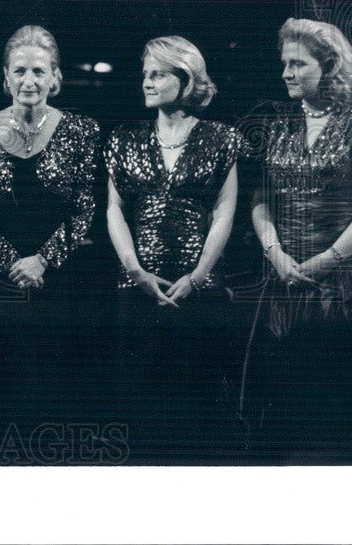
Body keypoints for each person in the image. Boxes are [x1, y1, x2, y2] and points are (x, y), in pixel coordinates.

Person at [0, 25, 99, 437]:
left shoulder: (83, 130)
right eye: (20, 71)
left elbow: (85, 209)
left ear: (55, 78)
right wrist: (13, 263)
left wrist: (41, 260)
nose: (29, 80)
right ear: (6, 77)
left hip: (60, 278)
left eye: (39, 71)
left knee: (57, 383)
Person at [104, 35, 243, 463]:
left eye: (158, 74)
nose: (146, 82)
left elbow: (224, 212)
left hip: (199, 290)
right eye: (145, 74)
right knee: (141, 411)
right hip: (137, 290)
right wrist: (135, 271)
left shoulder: (221, 137)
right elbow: (114, 210)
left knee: (200, 410)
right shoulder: (123, 137)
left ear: (185, 80)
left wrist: (198, 275)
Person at [248, 18, 352, 463]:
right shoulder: (278, 121)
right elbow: (260, 198)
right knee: (285, 413)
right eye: (284, 63)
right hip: (282, 282)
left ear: (330, 65)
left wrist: (325, 260)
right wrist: (274, 252)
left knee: (334, 412)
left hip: (342, 284)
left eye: (298, 64)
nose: (286, 72)